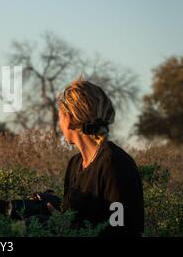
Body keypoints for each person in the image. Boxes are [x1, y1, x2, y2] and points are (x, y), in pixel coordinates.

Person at [56, 77, 144, 236]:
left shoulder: (115, 163)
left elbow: (122, 229)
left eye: (60, 117)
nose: (59, 124)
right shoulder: (75, 164)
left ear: (68, 119)